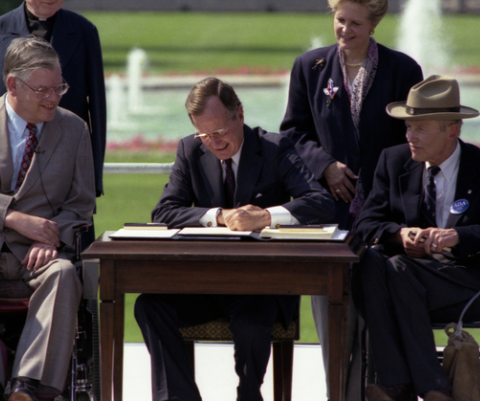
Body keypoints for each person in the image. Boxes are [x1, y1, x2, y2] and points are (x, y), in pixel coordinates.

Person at [134, 77, 334, 401]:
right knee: (149, 306)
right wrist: (218, 215)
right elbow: (165, 211)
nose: (214, 142)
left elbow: (320, 203)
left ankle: (248, 395)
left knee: (253, 321)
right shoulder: (190, 149)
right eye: (205, 134)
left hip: (261, 284)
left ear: (239, 114)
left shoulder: (274, 148)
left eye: (221, 131)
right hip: (205, 283)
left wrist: (266, 216)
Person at [279, 0, 423, 398]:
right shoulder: (310, 67)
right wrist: (325, 166)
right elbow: (293, 133)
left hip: (386, 215)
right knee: (332, 313)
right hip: (329, 214)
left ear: (374, 24)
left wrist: (383, 190)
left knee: (377, 312)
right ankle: (339, 392)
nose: (344, 30)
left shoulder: (402, 70)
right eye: (339, 20)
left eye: (355, 24)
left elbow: (413, 141)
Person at [353, 75, 480, 401]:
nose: (410, 136)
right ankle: (422, 385)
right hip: (403, 279)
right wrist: (399, 234)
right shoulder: (393, 161)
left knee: (396, 270)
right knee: (373, 263)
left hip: (464, 282)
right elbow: (365, 224)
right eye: (408, 127)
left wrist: (458, 236)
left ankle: (405, 385)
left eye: (420, 128)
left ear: (452, 130)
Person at [0, 37, 96, 401]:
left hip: (41, 254)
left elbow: (81, 204)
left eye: (59, 87)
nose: (53, 98)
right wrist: (12, 218)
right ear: (13, 85)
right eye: (43, 90)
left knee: (63, 275)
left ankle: (27, 386)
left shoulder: (73, 129)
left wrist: (50, 238)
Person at [0, 0, 106, 246]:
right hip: (8, 173)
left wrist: (92, 179)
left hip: (66, 168)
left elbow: (96, 110)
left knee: (72, 263)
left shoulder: (85, 32)